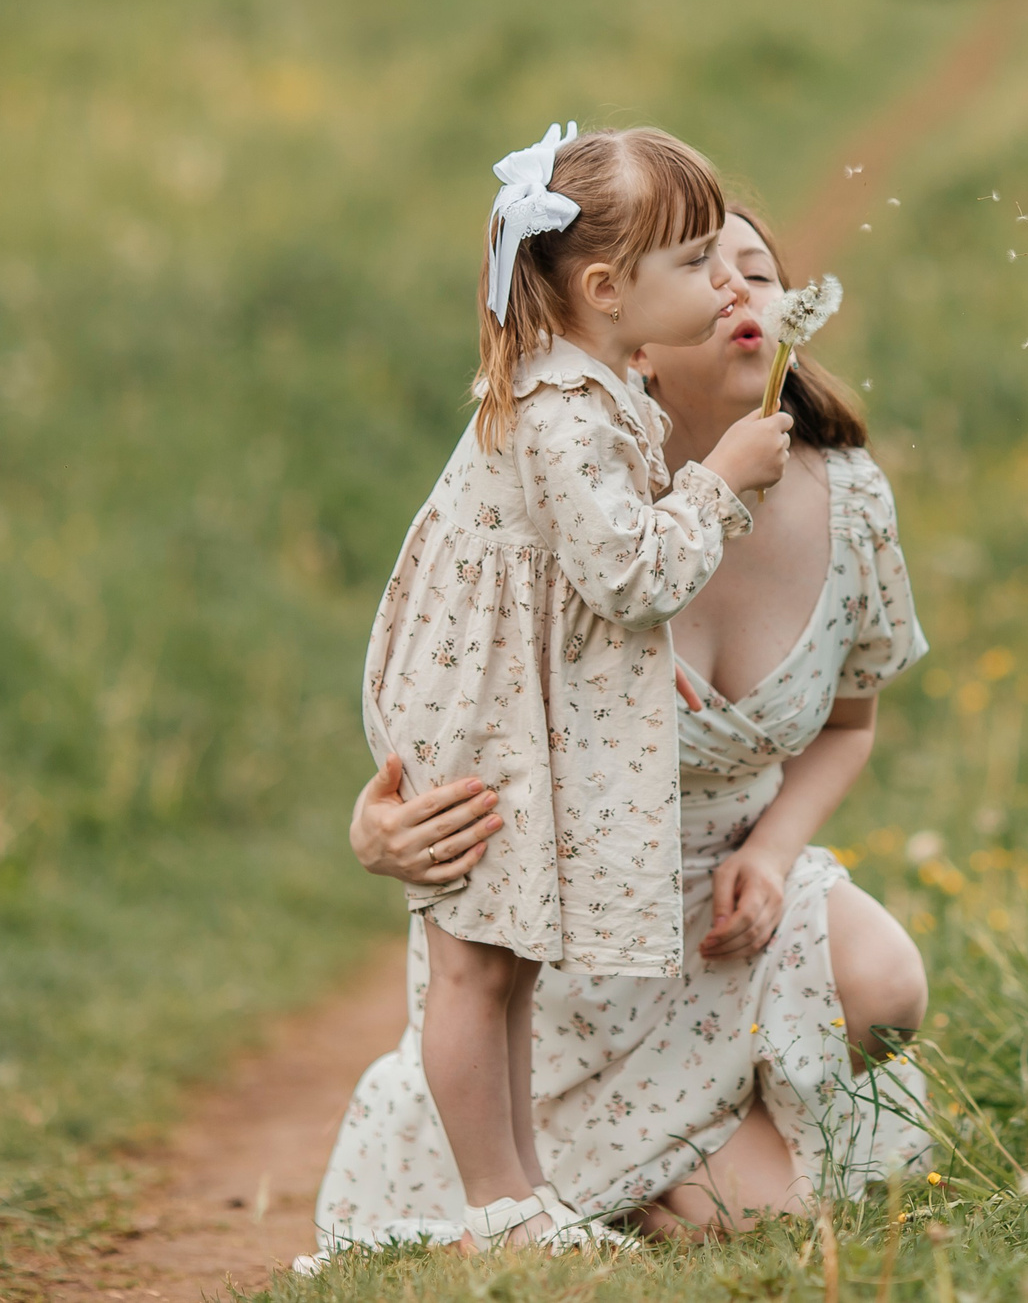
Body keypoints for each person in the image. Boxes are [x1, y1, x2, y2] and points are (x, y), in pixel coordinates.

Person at [317, 205, 930, 1250]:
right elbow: (457, 701)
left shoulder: (853, 499)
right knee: (757, 1220)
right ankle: (567, 1179)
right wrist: (376, 829)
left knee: (883, 983)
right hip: (576, 939)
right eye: (706, 272)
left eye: (760, 273)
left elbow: (848, 723)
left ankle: (704, 1132)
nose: (741, 291)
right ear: (632, 337)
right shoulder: (574, 501)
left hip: (724, 904)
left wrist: (775, 856)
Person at [359, 123, 794, 1252]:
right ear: (606, 288)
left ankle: (519, 1199)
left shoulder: (592, 386)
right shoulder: (559, 411)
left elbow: (584, 599)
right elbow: (626, 576)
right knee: (474, 962)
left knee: (506, 957)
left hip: (510, 687)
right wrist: (719, 485)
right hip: (477, 698)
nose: (724, 280)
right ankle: (500, 1207)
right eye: (696, 261)